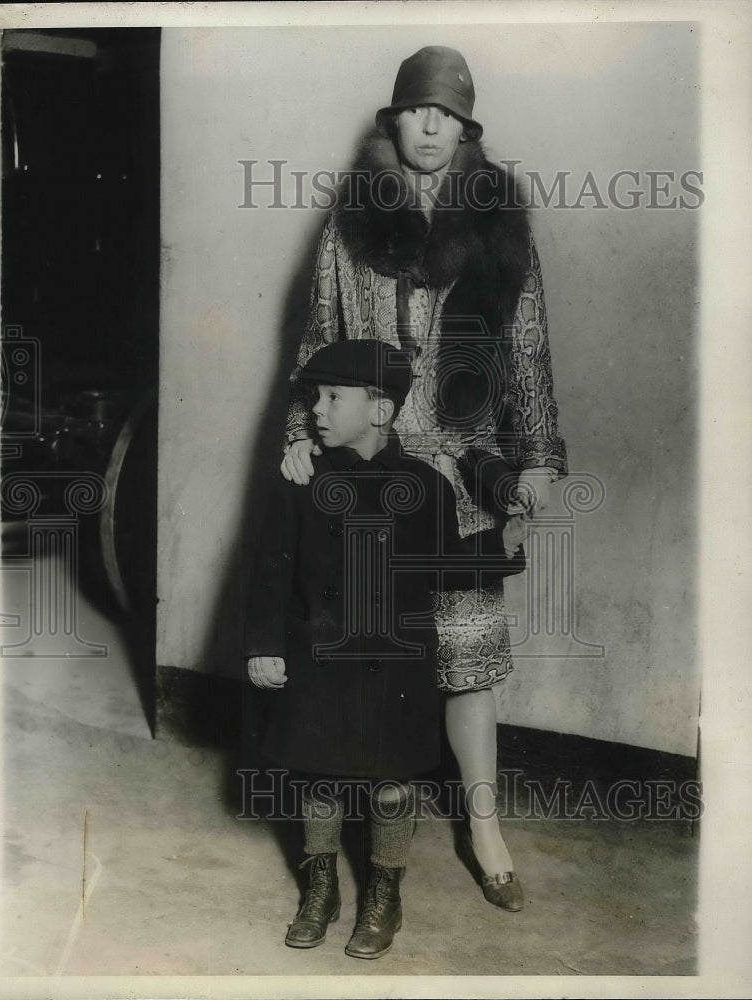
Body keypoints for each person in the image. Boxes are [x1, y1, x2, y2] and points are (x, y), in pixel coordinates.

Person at [280, 46, 568, 911]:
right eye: (416, 111)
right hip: (367, 480)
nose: (431, 127)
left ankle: (483, 826)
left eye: (448, 114)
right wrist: (302, 435)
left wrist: (540, 458)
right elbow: (313, 341)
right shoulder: (349, 221)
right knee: (367, 656)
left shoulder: (499, 219)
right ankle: (369, 864)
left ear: (467, 129)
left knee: (468, 660)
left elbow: (525, 349)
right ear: (393, 122)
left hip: (465, 474)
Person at [245, 339, 526, 959]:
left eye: (332, 396)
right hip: (319, 654)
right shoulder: (301, 478)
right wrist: (265, 645)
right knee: (317, 772)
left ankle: (384, 891)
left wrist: (503, 545)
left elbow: (446, 565)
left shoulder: (424, 485)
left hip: (398, 661)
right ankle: (319, 887)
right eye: (315, 395)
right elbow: (271, 567)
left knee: (391, 780)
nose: (316, 408)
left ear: (380, 410)